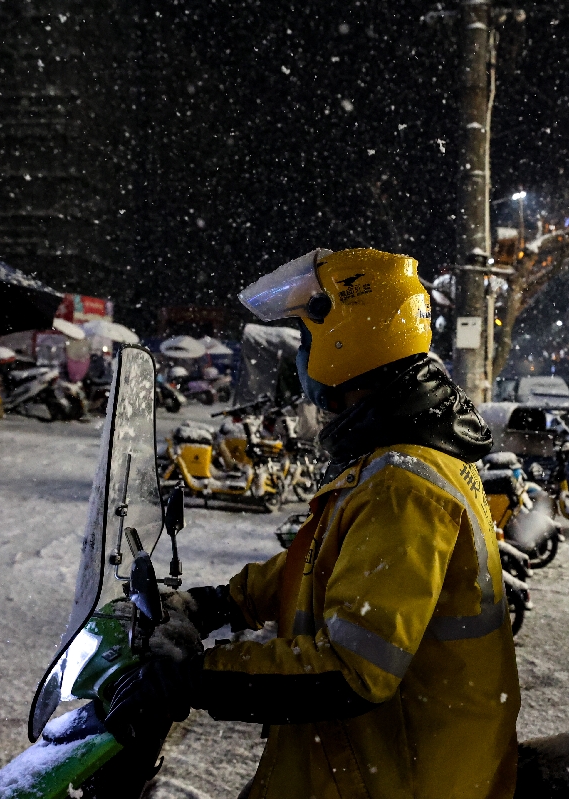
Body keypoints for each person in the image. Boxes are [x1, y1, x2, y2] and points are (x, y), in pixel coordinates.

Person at [105, 248, 521, 798]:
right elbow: (327, 563)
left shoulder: (403, 486)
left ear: (346, 342)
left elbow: (352, 671)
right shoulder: (394, 458)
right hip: (372, 762)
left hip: (402, 779)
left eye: (306, 339)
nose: (300, 357)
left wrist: (196, 677)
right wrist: (221, 603)